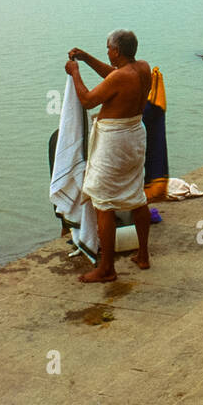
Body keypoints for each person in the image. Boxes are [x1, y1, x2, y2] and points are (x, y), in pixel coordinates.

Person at [66, 30, 152, 283]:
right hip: (135, 135)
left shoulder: (121, 76)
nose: (107, 52)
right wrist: (86, 57)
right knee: (137, 196)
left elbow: (88, 100)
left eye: (107, 49)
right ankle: (143, 255)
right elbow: (112, 76)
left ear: (116, 51)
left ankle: (106, 268)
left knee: (103, 201)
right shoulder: (142, 68)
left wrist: (75, 73)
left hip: (115, 143)